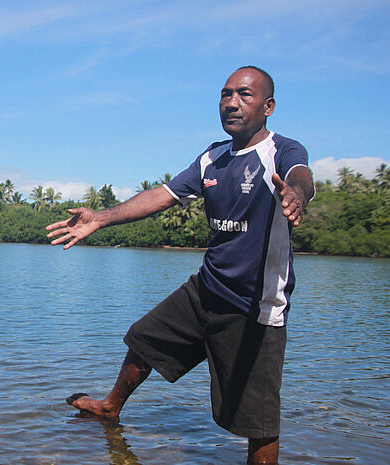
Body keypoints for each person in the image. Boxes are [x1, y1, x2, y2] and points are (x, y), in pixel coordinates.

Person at [46, 66, 314, 465]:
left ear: (268, 106)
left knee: (258, 420)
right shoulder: (213, 157)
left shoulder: (282, 150)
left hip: (254, 305)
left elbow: (300, 176)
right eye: (225, 95)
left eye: (244, 95)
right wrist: (101, 218)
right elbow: (163, 195)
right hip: (208, 287)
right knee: (144, 340)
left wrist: (297, 194)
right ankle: (110, 407)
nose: (231, 103)